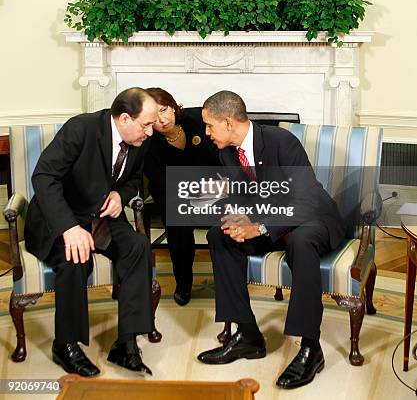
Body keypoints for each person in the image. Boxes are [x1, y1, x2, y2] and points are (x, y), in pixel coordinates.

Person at [196, 91, 345, 390]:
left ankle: (309, 348)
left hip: (311, 219)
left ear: (227, 121)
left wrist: (260, 227)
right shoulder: (226, 152)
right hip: (270, 224)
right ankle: (248, 336)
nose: (206, 132)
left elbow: (304, 200)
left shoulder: (281, 141)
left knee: (301, 242)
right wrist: (238, 221)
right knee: (219, 235)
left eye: (209, 125)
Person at [24, 87, 159, 377]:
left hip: (101, 219)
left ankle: (126, 344)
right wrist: (69, 228)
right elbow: (44, 176)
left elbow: (133, 178)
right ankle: (66, 344)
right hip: (61, 217)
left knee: (137, 246)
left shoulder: (140, 140)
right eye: (146, 124)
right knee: (76, 258)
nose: (150, 132)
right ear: (124, 118)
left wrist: (120, 196)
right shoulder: (81, 128)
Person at [144, 88, 219, 306]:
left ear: (173, 106)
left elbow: (220, 157)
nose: (162, 119)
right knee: (177, 218)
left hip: (212, 187)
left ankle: (228, 280)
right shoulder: (148, 142)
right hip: (172, 194)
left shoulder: (198, 120)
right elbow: (160, 182)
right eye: (154, 117)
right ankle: (183, 283)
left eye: (164, 110)